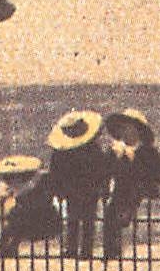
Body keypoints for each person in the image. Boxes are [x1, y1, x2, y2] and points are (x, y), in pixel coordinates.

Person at [45, 109, 112, 258]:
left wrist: (103, 187)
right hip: (80, 190)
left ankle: (80, 249)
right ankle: (76, 249)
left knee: (81, 220)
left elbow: (102, 170)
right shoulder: (66, 151)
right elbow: (56, 172)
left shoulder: (88, 149)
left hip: (84, 189)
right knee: (78, 219)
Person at [102, 109, 160, 260]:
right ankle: (111, 253)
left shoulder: (148, 151)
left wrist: (134, 161)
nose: (125, 132)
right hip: (121, 194)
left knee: (123, 203)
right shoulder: (116, 151)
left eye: (128, 128)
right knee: (112, 214)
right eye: (122, 128)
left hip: (141, 191)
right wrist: (117, 159)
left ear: (138, 131)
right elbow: (105, 173)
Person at [0, 154, 57, 256]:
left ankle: (4, 248)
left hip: (36, 221)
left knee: (12, 226)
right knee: (11, 225)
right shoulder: (32, 188)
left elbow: (29, 203)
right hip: (30, 219)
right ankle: (7, 248)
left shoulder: (31, 189)